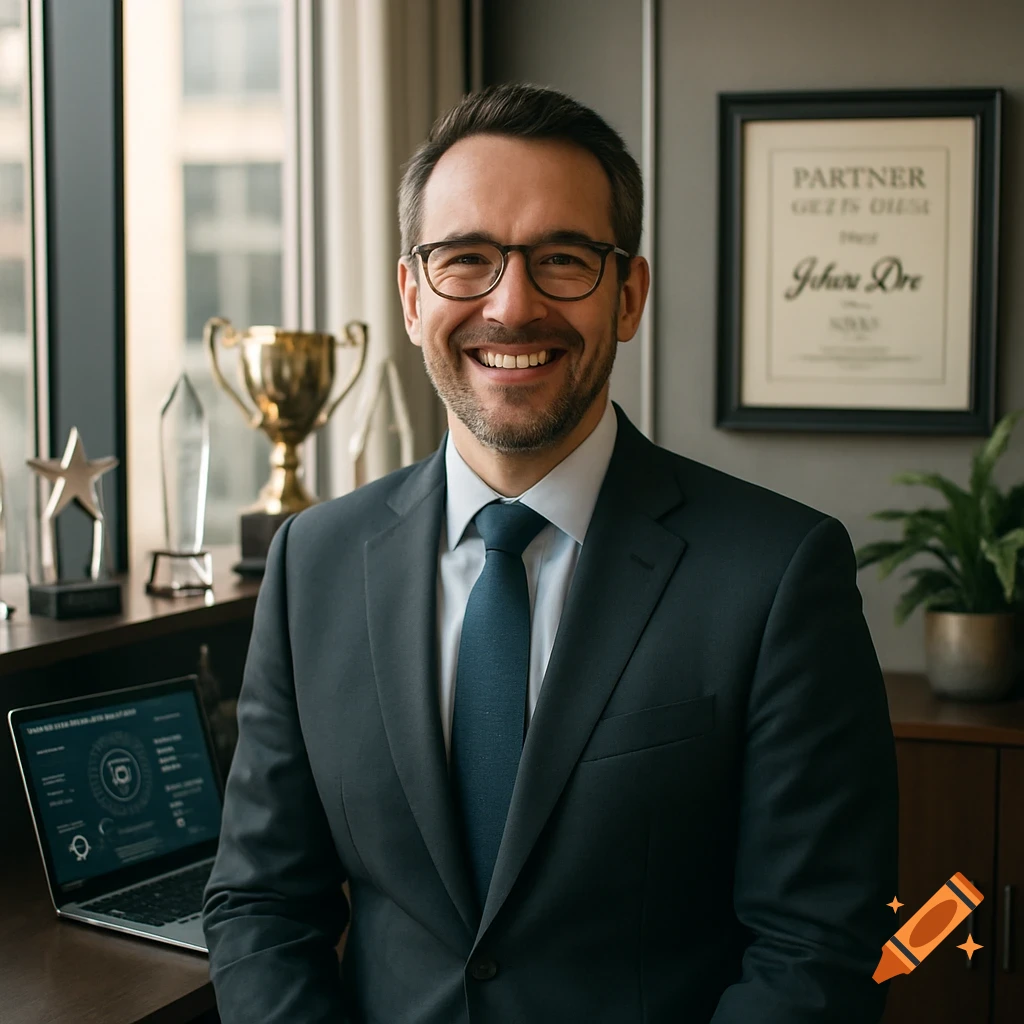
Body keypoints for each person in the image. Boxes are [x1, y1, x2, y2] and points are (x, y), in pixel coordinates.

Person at [202, 83, 898, 1024]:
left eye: (563, 259)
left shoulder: (780, 574)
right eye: (467, 260)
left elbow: (814, 947)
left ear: (629, 296)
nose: (513, 305)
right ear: (412, 298)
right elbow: (259, 904)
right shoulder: (312, 563)